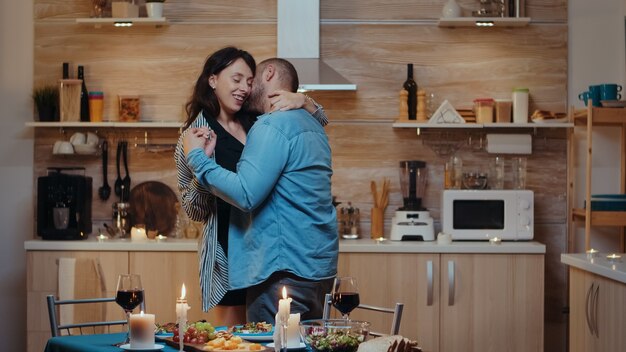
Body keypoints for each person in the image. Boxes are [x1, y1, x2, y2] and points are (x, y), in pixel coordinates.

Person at [174, 47, 329, 326]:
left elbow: (315, 123)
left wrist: (304, 100)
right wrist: (201, 166)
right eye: (236, 79)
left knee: (268, 337)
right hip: (230, 250)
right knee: (235, 339)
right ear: (212, 80)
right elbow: (193, 210)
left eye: (249, 81)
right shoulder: (193, 134)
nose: (244, 88)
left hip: (267, 252)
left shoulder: (258, 118)